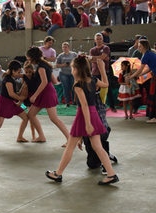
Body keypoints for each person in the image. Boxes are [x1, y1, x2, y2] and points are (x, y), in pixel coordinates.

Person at [45, 56, 119, 185]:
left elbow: (84, 104)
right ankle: (111, 174)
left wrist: (88, 124)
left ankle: (58, 174)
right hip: (93, 114)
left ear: (76, 70)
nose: (72, 70)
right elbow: (106, 84)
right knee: (98, 147)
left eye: (72, 68)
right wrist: (102, 69)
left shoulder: (78, 85)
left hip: (84, 116)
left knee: (70, 146)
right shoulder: (94, 80)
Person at [25, 47, 70, 146]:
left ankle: (70, 139)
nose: (28, 61)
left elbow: (45, 82)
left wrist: (34, 96)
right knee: (31, 114)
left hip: (46, 93)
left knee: (54, 118)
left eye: (29, 59)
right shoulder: (46, 65)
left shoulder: (41, 67)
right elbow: (53, 81)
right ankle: (41, 136)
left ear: (33, 58)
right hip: (45, 92)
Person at [0, 60, 28, 145]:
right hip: (4, 102)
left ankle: (20, 136)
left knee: (25, 118)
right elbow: (11, 94)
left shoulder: (11, 78)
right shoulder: (8, 79)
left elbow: (13, 93)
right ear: (13, 71)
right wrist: (20, 98)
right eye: (18, 72)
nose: (19, 74)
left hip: (11, 101)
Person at [89, 33, 117, 112]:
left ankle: (112, 106)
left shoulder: (106, 48)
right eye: (97, 39)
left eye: (100, 39)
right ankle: (94, 106)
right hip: (95, 72)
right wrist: (100, 58)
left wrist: (93, 58)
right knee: (94, 90)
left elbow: (102, 57)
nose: (99, 40)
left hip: (105, 72)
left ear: (102, 39)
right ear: (95, 40)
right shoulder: (92, 50)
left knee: (108, 89)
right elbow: (92, 60)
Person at [19, 62, 40, 140]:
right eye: (26, 72)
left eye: (30, 72)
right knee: (31, 117)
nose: (28, 74)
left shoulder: (36, 76)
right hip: (29, 98)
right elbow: (16, 75)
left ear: (33, 71)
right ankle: (33, 135)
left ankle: (36, 134)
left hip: (35, 97)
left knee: (32, 117)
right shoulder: (25, 77)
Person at [56, 42, 78, 107]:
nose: (64, 48)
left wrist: (72, 65)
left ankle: (74, 101)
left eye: (66, 47)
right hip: (63, 73)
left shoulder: (74, 54)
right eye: (63, 47)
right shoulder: (60, 56)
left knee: (73, 87)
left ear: (69, 47)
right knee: (65, 88)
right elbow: (56, 65)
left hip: (72, 73)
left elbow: (78, 61)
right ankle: (67, 102)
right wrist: (63, 65)